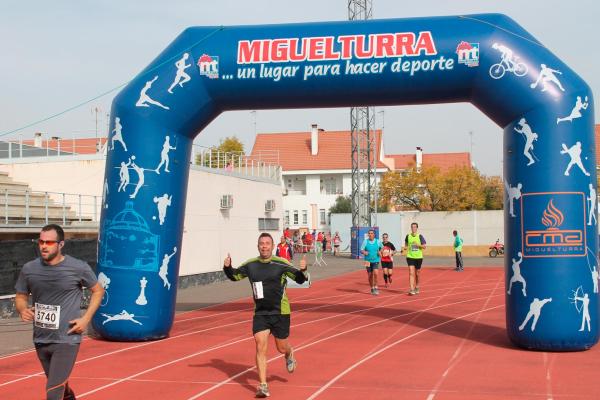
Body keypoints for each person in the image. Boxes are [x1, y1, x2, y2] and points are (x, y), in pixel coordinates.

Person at [14, 224, 104, 400]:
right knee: (61, 387)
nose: (43, 246)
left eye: (49, 242)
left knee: (53, 391)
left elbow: (98, 290)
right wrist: (22, 309)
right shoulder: (29, 269)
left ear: (61, 244)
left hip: (67, 339)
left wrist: (86, 319)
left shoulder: (78, 267)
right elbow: (20, 296)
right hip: (41, 338)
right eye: (41, 241)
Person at [223, 233, 308, 398]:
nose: (264, 246)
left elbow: (298, 279)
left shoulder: (281, 263)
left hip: (280, 312)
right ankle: (263, 385)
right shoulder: (251, 265)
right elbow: (235, 276)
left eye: (267, 243)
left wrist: (303, 270)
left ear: (272, 245)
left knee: (281, 347)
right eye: (261, 243)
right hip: (260, 313)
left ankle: (289, 353)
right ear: (257, 246)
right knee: (260, 346)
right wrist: (227, 267)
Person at [403, 222, 427, 295]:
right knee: (411, 272)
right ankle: (412, 289)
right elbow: (406, 245)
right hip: (410, 256)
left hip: (418, 257)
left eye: (414, 227)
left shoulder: (420, 236)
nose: (413, 228)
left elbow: (424, 246)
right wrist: (405, 248)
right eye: (412, 227)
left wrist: (418, 245)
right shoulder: (408, 236)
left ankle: (417, 286)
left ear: (417, 228)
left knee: (417, 273)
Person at [361, 229, 383, 295]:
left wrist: (380, 251)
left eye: (371, 233)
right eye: (369, 233)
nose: (370, 234)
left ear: (374, 235)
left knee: (376, 273)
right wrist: (364, 252)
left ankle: (376, 287)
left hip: (376, 260)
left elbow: (382, 248)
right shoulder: (365, 241)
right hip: (367, 261)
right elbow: (361, 250)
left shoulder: (378, 241)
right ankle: (372, 288)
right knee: (370, 275)